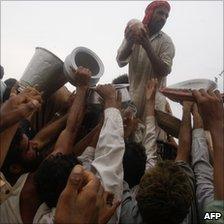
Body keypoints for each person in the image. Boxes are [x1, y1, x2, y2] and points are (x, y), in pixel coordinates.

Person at [116, 0, 175, 122]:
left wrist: (146, 44)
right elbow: (120, 61)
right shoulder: (134, 32)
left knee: (152, 138)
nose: (163, 18)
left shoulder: (166, 42)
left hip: (155, 103)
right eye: (160, 13)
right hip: (133, 98)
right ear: (150, 13)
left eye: (166, 15)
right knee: (130, 135)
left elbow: (163, 71)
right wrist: (130, 41)